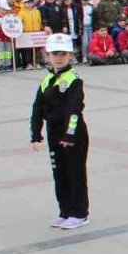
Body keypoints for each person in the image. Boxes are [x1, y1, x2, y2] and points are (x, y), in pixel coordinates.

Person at [30, 33, 89, 230]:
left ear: (70, 55)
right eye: (55, 53)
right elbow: (37, 108)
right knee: (59, 174)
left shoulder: (73, 80)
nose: (59, 57)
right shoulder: (47, 79)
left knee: (75, 173)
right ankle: (65, 211)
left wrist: (70, 135)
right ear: (47, 55)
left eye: (63, 53)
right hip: (54, 134)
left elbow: (74, 111)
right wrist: (35, 134)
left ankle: (79, 213)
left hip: (73, 136)